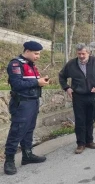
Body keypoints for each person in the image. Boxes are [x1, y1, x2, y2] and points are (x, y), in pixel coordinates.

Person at [4, 41, 49, 175]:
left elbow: (28, 82)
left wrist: (40, 82)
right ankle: (9, 161)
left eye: (39, 54)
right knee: (17, 131)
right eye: (36, 53)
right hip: (22, 103)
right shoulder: (16, 64)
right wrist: (37, 82)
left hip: (32, 102)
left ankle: (27, 155)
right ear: (27, 51)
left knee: (29, 130)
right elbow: (17, 84)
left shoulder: (30, 65)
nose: (38, 56)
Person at [59, 44, 95, 154]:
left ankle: (89, 141)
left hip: (92, 95)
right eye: (79, 54)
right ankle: (80, 144)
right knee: (80, 120)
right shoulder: (71, 64)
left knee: (90, 119)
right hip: (78, 96)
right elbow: (61, 76)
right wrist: (67, 88)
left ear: (88, 53)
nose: (81, 56)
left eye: (83, 54)